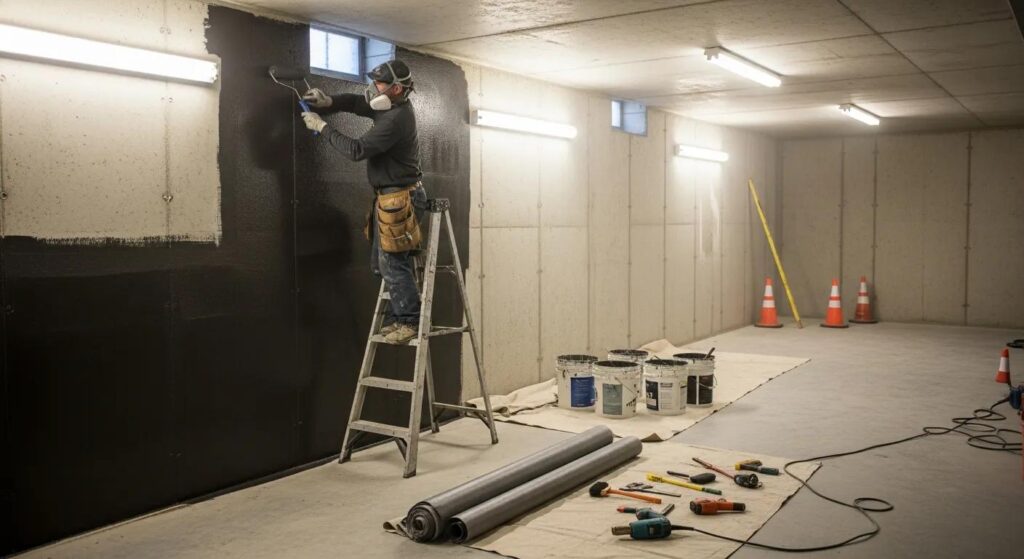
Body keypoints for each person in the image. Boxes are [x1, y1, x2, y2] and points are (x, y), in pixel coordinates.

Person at [300, 60, 425, 344]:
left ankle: (410, 321)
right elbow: (358, 103)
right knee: (381, 265)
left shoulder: (396, 119)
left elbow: (357, 150)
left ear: (395, 89)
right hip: (388, 197)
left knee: (394, 262)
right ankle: (399, 317)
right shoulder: (389, 104)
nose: (373, 88)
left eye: (379, 84)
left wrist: (323, 128)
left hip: (401, 197)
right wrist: (329, 101)